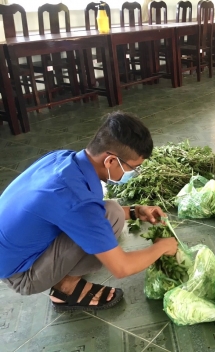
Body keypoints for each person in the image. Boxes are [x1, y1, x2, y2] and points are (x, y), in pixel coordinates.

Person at [0, 112, 178, 312]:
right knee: (112, 218)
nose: (133, 174)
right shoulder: (77, 201)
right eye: (133, 168)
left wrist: (136, 212)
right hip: (22, 275)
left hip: (12, 251)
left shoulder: (62, 158)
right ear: (110, 161)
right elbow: (122, 268)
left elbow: (80, 211)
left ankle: (67, 272)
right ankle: (66, 288)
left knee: (113, 211)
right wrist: (162, 247)